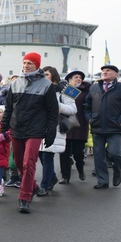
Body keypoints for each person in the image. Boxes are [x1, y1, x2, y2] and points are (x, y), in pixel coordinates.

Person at [0, 52, 58, 213]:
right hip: (17, 128)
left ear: (37, 65)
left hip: (36, 130)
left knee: (28, 163)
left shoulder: (46, 85)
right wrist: (4, 128)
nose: (26, 66)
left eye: (30, 63)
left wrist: (50, 132)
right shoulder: (15, 83)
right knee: (19, 163)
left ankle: (24, 197)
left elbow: (53, 112)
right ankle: (33, 186)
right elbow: (9, 109)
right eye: (24, 63)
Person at [84, 64, 121, 189]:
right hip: (97, 126)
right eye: (103, 71)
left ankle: (117, 172)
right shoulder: (94, 88)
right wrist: (90, 117)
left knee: (115, 154)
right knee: (99, 155)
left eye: (108, 70)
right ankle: (102, 181)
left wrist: (120, 120)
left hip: (114, 127)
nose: (104, 72)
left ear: (115, 74)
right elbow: (87, 104)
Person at [36, 66, 76, 196]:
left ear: (53, 75)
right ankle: (52, 178)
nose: (44, 76)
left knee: (48, 156)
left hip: (56, 126)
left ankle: (45, 185)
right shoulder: (38, 88)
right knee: (41, 155)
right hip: (39, 125)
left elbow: (73, 109)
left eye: (47, 74)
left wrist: (56, 105)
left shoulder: (67, 89)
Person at [59, 70, 90, 183]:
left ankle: (80, 169)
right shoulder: (63, 91)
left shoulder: (86, 92)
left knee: (78, 153)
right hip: (65, 125)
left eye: (80, 78)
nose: (78, 79)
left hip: (79, 126)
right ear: (69, 80)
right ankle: (65, 176)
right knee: (64, 153)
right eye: (76, 77)